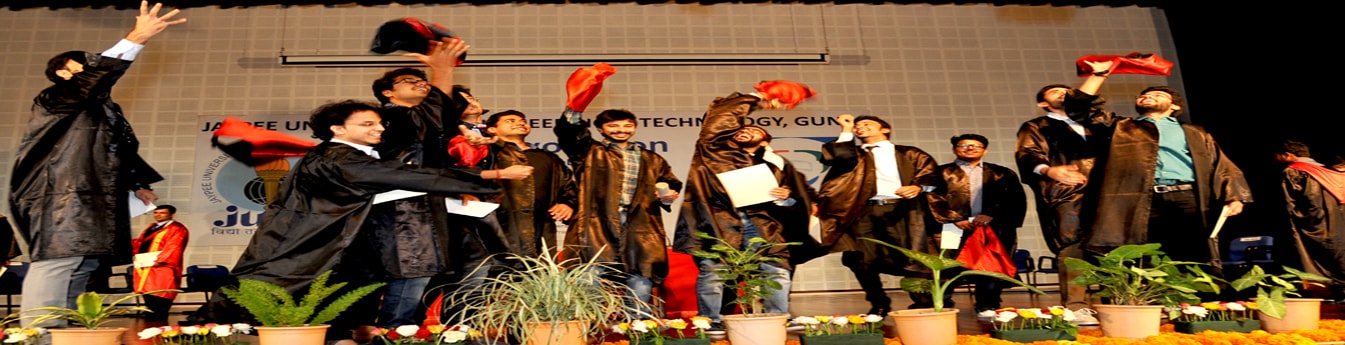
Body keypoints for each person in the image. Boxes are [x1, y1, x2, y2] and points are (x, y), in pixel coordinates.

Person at [190, 100, 523, 341]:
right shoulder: (337, 156)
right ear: (338, 128)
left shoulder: (354, 156)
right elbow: (404, 176)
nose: (378, 129)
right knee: (262, 300)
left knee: (340, 318)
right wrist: (490, 174)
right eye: (367, 124)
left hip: (342, 248)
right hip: (308, 247)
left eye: (379, 124)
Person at [8, 1, 183, 328]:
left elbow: (114, 149)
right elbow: (94, 80)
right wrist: (136, 38)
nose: (93, 66)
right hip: (60, 194)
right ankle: (38, 334)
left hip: (94, 195)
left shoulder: (103, 109)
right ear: (63, 73)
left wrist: (136, 185)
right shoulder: (57, 98)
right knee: (60, 258)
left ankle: (69, 331)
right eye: (85, 64)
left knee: (87, 263)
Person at [368, 37, 518, 328]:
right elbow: (435, 111)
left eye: (423, 81)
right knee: (413, 272)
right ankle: (393, 332)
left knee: (436, 273)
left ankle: (426, 331)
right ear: (388, 92)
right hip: (401, 206)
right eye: (410, 80)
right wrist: (443, 70)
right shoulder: (388, 117)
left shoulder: (431, 125)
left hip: (433, 206)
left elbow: (442, 148)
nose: (421, 84)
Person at [671, 92, 820, 323]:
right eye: (740, 128)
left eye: (754, 130)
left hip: (762, 224)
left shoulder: (773, 167)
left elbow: (793, 203)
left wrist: (784, 197)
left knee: (776, 269)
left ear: (765, 141)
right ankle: (710, 322)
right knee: (714, 272)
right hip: (718, 221)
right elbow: (720, 120)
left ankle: (777, 318)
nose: (745, 130)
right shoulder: (714, 152)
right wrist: (755, 98)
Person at [1084, 78, 1252, 266]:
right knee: (1144, 256)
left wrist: (1234, 196)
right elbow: (1082, 108)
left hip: (1186, 196)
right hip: (1139, 198)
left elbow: (1221, 164)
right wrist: (1098, 76)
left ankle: (1200, 294)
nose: (1147, 96)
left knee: (1194, 253)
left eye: (1158, 95)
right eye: (1143, 95)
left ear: (1174, 106)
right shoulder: (1121, 127)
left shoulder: (1194, 132)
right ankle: (1151, 295)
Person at [555, 106, 682, 317]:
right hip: (597, 221)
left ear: (634, 128)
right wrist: (575, 106)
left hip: (641, 223)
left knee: (642, 272)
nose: (621, 130)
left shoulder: (652, 159)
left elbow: (669, 182)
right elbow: (570, 132)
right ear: (601, 129)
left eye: (627, 125)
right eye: (613, 126)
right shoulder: (588, 151)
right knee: (591, 270)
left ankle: (636, 326)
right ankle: (590, 324)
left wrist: (668, 194)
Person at [1014, 61, 1115, 314]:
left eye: (1067, 90)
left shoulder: (1098, 123)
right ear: (1043, 103)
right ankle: (1076, 306)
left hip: (1106, 191)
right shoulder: (1036, 126)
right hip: (1066, 192)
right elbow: (1027, 154)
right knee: (1072, 246)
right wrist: (1048, 170)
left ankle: (1117, 302)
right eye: (1055, 92)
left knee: (1113, 245)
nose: (1063, 93)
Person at [816, 114, 939, 314]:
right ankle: (878, 302)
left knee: (915, 256)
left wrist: (918, 187)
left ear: (885, 129)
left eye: (867, 124)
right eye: (857, 126)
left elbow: (931, 174)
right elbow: (836, 157)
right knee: (860, 259)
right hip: (864, 211)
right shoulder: (853, 155)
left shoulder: (909, 153)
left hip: (903, 209)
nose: (860, 127)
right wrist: (846, 130)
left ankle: (923, 304)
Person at [926, 134, 1026, 317]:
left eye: (976, 145)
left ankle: (988, 305)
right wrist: (952, 218)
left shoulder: (1003, 173)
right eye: (963, 145)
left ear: (985, 150)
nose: (970, 148)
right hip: (951, 226)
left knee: (989, 266)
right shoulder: (939, 173)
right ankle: (944, 305)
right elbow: (930, 200)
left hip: (990, 227)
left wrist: (993, 216)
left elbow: (1015, 201)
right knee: (946, 265)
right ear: (955, 149)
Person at [481, 110, 578, 258]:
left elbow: (567, 187)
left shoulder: (548, 157)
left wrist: (567, 203)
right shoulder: (486, 153)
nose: (520, 123)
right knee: (498, 271)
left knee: (541, 273)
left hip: (541, 228)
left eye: (523, 121)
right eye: (510, 121)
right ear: (491, 129)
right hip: (497, 225)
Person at [1277, 140, 1345, 297]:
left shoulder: (1293, 172)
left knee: (1319, 261)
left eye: (1277, 155)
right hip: (1339, 225)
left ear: (1288, 155)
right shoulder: (1332, 172)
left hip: (1317, 226)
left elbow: (1297, 205)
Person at [132, 205, 190, 323]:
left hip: (163, 267)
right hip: (146, 265)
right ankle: (149, 324)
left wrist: (161, 260)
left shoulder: (177, 228)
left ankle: (160, 324)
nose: (158, 215)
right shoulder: (152, 227)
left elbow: (174, 246)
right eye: (156, 212)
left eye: (162, 213)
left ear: (172, 215)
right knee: (148, 294)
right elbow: (140, 242)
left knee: (162, 293)